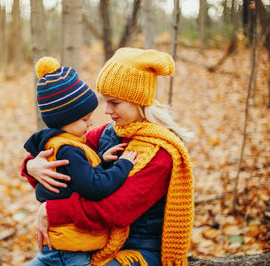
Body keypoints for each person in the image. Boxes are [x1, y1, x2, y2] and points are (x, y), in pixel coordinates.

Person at [22, 48, 194, 266]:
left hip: (139, 250)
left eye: (114, 103)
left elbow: (116, 210)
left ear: (138, 100)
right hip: (95, 244)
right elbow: (64, 156)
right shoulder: (110, 132)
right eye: (105, 101)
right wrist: (32, 166)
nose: (107, 111)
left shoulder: (159, 153)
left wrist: (54, 211)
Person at [25, 56, 139, 266]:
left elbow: (78, 177)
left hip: (62, 242)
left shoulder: (59, 143)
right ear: (64, 120)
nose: (90, 123)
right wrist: (124, 166)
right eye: (85, 119)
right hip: (71, 247)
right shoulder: (70, 150)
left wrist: (101, 161)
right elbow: (94, 187)